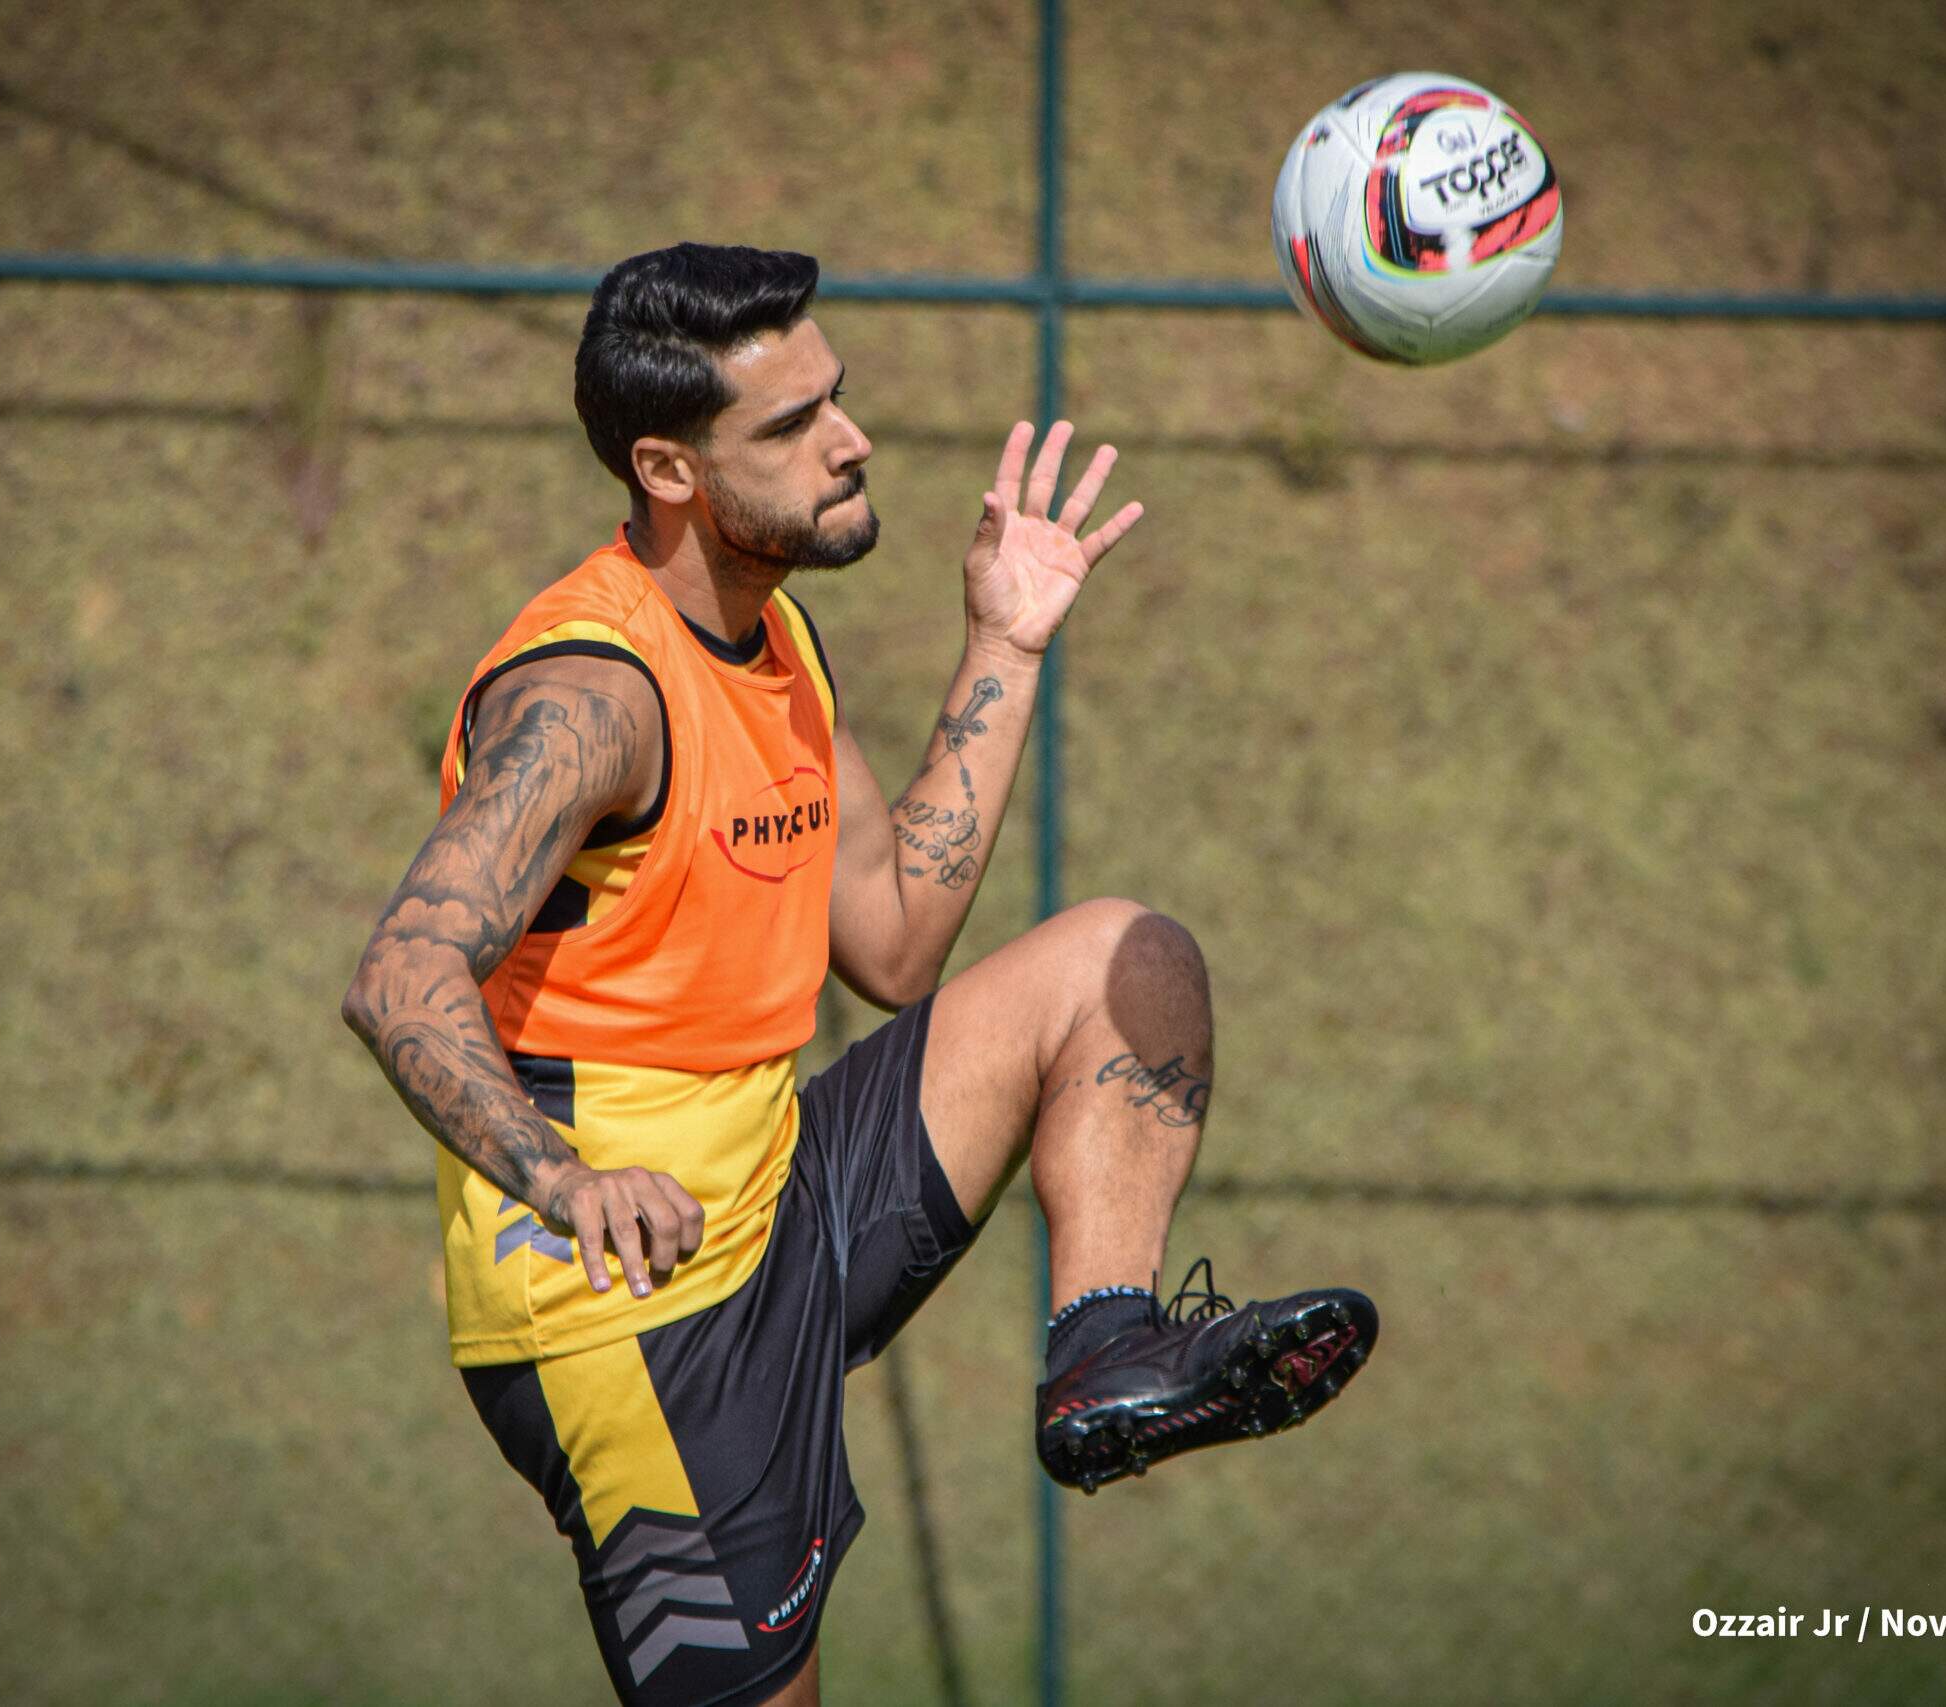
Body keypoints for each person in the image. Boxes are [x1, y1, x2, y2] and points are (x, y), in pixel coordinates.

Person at [342, 242, 1375, 1706]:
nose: (852, 439)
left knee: (1117, 961)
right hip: (631, 1310)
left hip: (776, 1192)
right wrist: (565, 1181)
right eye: (791, 425)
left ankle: (1106, 1355)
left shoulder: (774, 647)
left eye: (838, 398)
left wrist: (1004, 643)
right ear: (669, 468)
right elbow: (402, 974)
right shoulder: (590, 696)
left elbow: (894, 942)